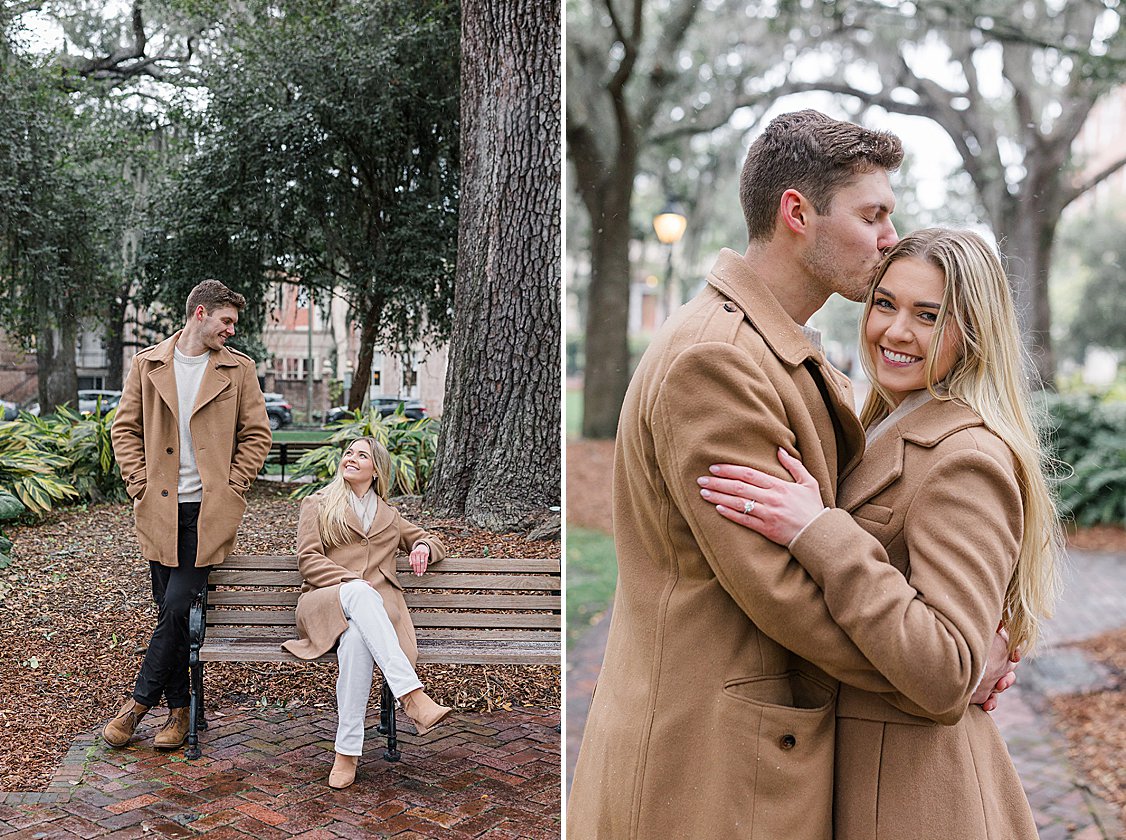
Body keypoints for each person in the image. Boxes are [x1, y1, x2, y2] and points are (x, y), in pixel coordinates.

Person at [566, 111, 1016, 839]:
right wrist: (949, 675)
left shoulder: (787, 355)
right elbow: (784, 593)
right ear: (797, 213)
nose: (888, 237)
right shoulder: (715, 361)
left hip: (759, 760)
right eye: (873, 215)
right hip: (709, 770)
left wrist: (956, 654)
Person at [698, 228, 1062, 838]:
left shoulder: (966, 458)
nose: (896, 331)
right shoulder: (884, 425)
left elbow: (946, 665)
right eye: (886, 304)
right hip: (863, 777)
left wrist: (818, 530)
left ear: (973, 332)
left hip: (915, 796)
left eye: (929, 315)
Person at [104, 280, 272, 750]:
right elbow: (125, 430)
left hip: (209, 512)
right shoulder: (149, 364)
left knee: (177, 606)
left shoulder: (238, 370)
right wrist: (138, 484)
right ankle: (180, 713)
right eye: (226, 321)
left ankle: (136, 706)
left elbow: (257, 435)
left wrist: (234, 486)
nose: (231, 331)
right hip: (159, 509)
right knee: (172, 615)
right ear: (200, 314)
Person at [281, 436, 453, 790]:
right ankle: (412, 696)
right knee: (359, 591)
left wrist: (421, 546)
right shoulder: (319, 504)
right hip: (325, 604)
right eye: (348, 453)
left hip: (370, 623)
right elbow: (308, 560)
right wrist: (352, 584)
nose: (351, 458)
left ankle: (346, 753)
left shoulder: (389, 516)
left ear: (376, 471)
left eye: (362, 455)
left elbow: (434, 539)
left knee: (358, 641)